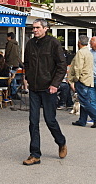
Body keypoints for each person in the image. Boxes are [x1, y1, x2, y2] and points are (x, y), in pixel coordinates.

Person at [22, 19, 68, 166]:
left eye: (37, 28)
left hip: (49, 88)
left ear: (45, 28)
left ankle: (61, 142)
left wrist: (55, 84)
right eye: (33, 28)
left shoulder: (53, 43)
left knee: (50, 120)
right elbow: (27, 63)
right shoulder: (30, 44)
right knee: (33, 122)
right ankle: (35, 154)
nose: (35, 30)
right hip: (34, 88)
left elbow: (62, 66)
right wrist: (27, 77)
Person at [69, 35, 96, 128]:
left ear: (79, 42)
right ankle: (82, 120)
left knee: (83, 101)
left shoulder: (80, 52)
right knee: (84, 99)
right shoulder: (89, 52)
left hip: (82, 80)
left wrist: (75, 79)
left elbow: (78, 67)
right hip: (88, 79)